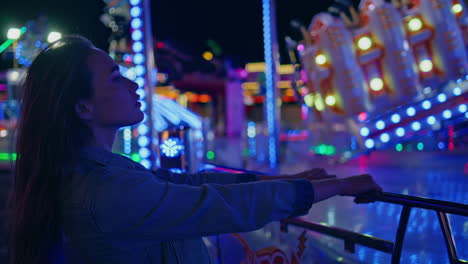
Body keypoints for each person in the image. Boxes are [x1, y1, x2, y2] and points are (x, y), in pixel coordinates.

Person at [7, 35, 382, 264]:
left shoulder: (98, 173)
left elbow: (191, 183)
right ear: (83, 107)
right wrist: (333, 188)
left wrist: (294, 181)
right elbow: (216, 206)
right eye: (115, 77)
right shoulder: (105, 191)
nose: (133, 85)